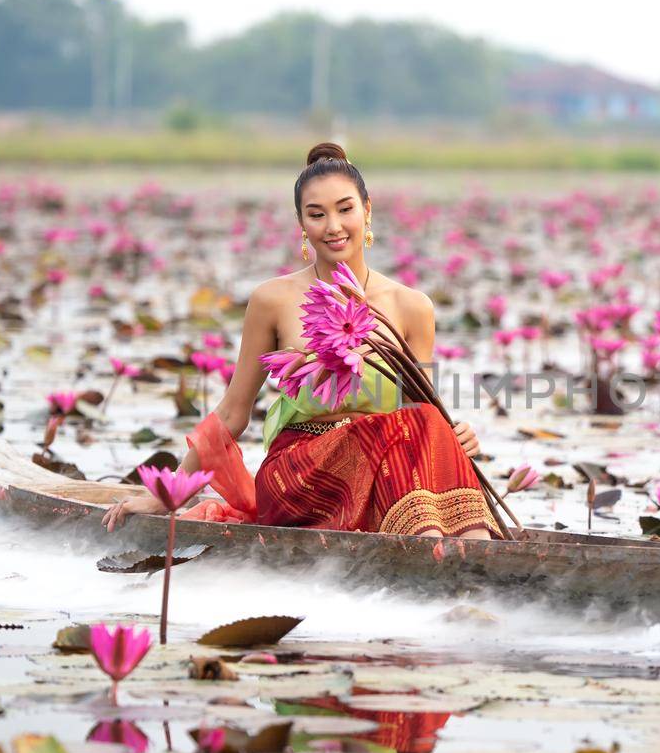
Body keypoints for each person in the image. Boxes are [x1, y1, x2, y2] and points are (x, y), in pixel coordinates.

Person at [103, 142, 497, 539]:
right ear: (302, 224)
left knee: (427, 423)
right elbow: (231, 413)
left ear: (368, 210)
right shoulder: (272, 300)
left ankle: (471, 551)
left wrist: (455, 434)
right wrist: (166, 493)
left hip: (382, 476)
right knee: (408, 429)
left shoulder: (411, 307)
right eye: (317, 214)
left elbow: (419, 412)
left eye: (345, 209)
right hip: (299, 475)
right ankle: (435, 554)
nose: (333, 227)